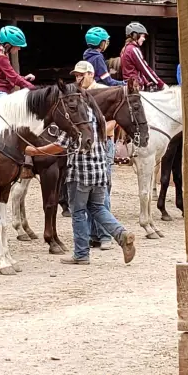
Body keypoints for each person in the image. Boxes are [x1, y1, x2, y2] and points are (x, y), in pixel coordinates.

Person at [25, 96, 136, 265]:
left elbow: (59, 146)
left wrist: (35, 151)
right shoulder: (99, 119)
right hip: (99, 173)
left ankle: (81, 254)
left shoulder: (76, 122)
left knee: (78, 213)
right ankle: (121, 234)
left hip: (80, 175)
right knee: (98, 208)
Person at [72, 61, 117, 250]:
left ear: (91, 74)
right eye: (76, 75)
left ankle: (105, 235)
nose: (78, 78)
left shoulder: (104, 92)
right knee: (88, 189)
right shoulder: (76, 94)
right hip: (86, 143)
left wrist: (93, 135)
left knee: (102, 189)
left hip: (102, 143)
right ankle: (93, 234)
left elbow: (114, 119)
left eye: (82, 74)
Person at [0, 25, 36, 99]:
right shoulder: (0, 57)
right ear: (8, 46)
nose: (19, 48)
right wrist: (34, 88)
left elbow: (8, 76)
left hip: (0, 91)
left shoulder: (2, 53)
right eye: (17, 46)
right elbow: (14, 78)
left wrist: (24, 78)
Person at [120, 22, 166, 91]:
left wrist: (146, 82)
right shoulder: (133, 49)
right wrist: (161, 84)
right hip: (135, 88)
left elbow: (135, 70)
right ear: (135, 35)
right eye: (143, 36)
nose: (144, 39)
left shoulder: (125, 49)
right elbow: (145, 69)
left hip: (130, 86)